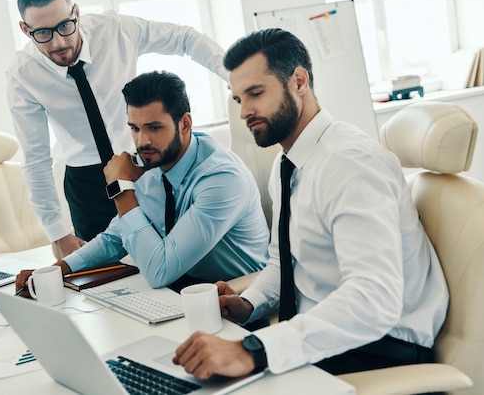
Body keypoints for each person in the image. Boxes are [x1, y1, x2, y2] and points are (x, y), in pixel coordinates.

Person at [172, 28, 449, 378]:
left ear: (299, 82)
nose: (244, 112)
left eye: (255, 93)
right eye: (238, 98)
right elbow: (283, 262)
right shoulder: (287, 164)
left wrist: (254, 350)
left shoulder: (350, 165)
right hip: (323, 334)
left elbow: (373, 301)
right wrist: (249, 304)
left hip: (378, 347)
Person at [6, 0, 229, 260]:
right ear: (25, 30)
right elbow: (36, 158)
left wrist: (231, 75)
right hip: (86, 184)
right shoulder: (22, 75)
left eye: (65, 26)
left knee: (166, 257)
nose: (59, 42)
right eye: (44, 34)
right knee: (103, 276)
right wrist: (57, 233)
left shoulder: (115, 30)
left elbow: (183, 37)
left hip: (140, 165)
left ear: (76, 12)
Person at [16, 70, 269, 292]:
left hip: (235, 301)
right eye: (135, 128)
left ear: (185, 123)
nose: (142, 142)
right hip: (179, 292)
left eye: (154, 128)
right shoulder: (153, 164)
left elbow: (160, 271)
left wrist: (121, 189)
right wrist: (56, 270)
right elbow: (115, 237)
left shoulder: (221, 179)